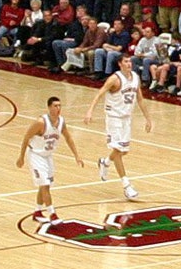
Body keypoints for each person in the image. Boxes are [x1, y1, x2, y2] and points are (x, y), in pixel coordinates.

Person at [88, 54, 152, 202]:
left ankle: (105, 162)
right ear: (120, 64)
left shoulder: (135, 77)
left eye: (130, 61)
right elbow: (100, 93)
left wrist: (148, 118)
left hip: (126, 118)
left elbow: (140, 99)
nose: (129, 64)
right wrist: (90, 110)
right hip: (114, 117)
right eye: (126, 61)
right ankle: (127, 185)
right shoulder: (114, 79)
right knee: (118, 150)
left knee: (123, 151)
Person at [17, 95, 83, 223]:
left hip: (48, 156)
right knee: (45, 184)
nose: (58, 108)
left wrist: (77, 155)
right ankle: (52, 214)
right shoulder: (41, 122)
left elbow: (68, 138)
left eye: (60, 106)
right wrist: (21, 157)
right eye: (55, 106)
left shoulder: (61, 122)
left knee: (44, 185)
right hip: (36, 155)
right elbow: (26, 137)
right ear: (49, 107)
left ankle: (37, 211)